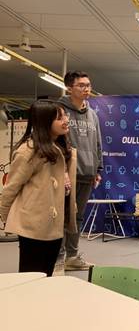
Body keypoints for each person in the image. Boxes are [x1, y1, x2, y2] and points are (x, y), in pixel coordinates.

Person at [0, 100, 77, 276]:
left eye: (65, 116)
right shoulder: (28, 151)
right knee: (31, 276)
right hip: (33, 226)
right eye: (59, 118)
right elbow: (11, 188)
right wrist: (8, 219)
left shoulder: (64, 149)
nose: (66, 120)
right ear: (44, 122)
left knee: (47, 273)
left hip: (54, 226)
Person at [56, 71, 103, 271]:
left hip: (87, 173)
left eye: (88, 85)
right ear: (69, 88)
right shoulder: (59, 111)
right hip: (66, 173)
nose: (86, 89)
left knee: (78, 216)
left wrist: (98, 168)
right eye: (81, 85)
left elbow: (97, 143)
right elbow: (55, 142)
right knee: (62, 216)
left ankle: (72, 256)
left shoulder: (93, 115)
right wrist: (62, 170)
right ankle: (58, 258)